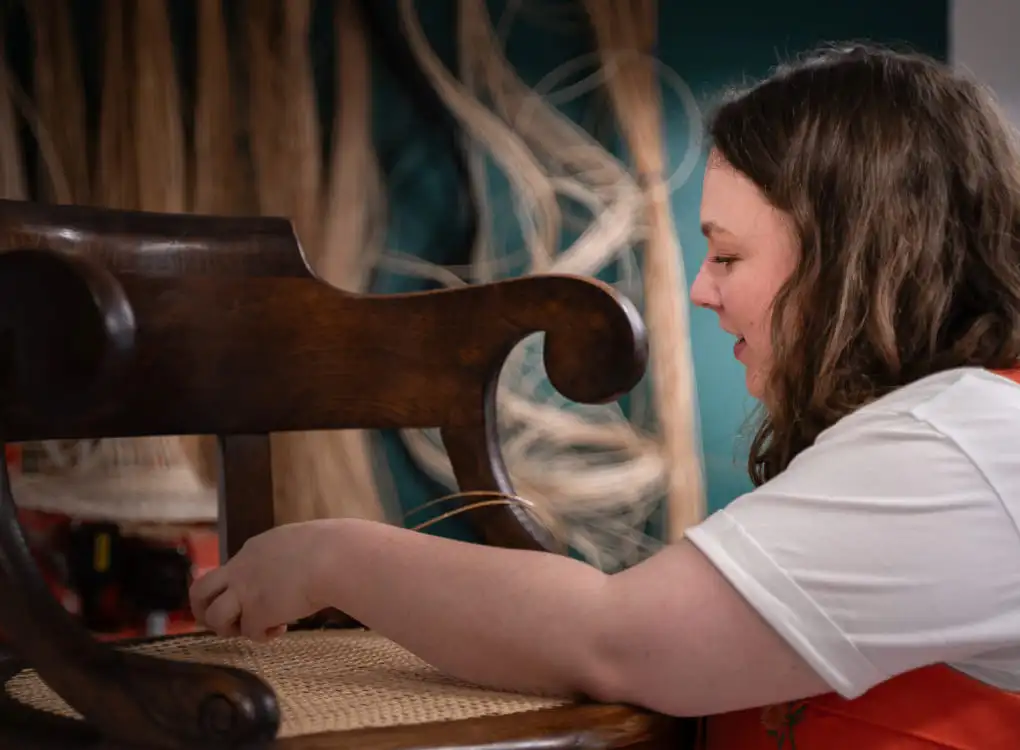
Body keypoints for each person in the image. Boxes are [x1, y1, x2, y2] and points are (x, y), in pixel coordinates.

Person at [190, 45, 1020, 748]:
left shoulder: (955, 446)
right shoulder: (955, 427)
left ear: (857, 260)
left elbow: (622, 638)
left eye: (727, 257)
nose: (701, 289)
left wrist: (335, 558)